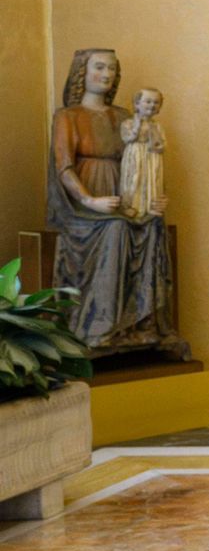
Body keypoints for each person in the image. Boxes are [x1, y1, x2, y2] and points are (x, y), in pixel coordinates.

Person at [47, 49, 182, 357]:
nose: (106, 74)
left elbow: (145, 161)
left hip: (126, 195)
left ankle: (144, 325)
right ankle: (101, 327)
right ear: (82, 73)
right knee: (117, 228)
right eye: (99, 67)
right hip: (83, 205)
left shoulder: (124, 117)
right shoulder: (68, 116)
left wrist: (153, 199)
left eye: (111, 69)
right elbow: (64, 167)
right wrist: (90, 200)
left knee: (153, 226)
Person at [118, 87, 167, 221]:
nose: (152, 105)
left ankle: (149, 207)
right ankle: (132, 206)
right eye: (148, 101)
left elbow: (161, 145)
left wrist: (154, 134)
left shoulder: (157, 126)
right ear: (137, 104)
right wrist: (137, 125)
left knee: (151, 180)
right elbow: (127, 138)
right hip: (134, 156)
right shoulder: (128, 123)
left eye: (156, 102)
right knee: (133, 180)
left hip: (152, 158)